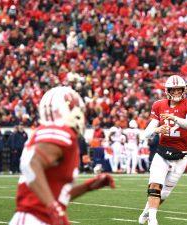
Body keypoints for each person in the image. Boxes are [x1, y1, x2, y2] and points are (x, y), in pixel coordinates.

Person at [9, 86, 115, 225]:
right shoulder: (61, 132)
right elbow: (30, 163)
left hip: (42, 217)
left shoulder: (51, 133)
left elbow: (59, 195)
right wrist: (51, 206)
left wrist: (88, 186)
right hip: (35, 218)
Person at [138, 75, 187, 225]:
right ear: (167, 91)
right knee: (154, 185)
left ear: (184, 89)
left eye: (179, 89)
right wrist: (157, 129)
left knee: (165, 193)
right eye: (173, 90)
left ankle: (147, 212)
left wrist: (174, 118)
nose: (177, 92)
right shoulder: (159, 105)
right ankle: (153, 220)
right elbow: (144, 134)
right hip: (162, 153)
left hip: (181, 156)